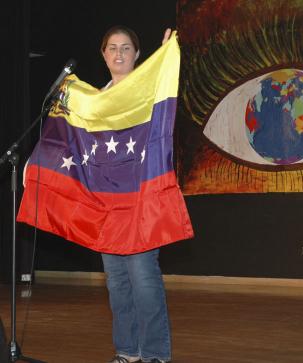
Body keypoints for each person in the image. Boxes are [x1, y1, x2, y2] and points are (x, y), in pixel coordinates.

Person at [100, 25, 173, 363]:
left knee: (143, 278)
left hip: (143, 201)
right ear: (103, 55)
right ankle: (127, 352)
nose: (119, 53)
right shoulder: (94, 104)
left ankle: (155, 354)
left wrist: (165, 58)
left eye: (126, 48)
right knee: (117, 282)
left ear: (137, 54)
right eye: (113, 48)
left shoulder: (149, 93)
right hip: (108, 206)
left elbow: (165, 95)